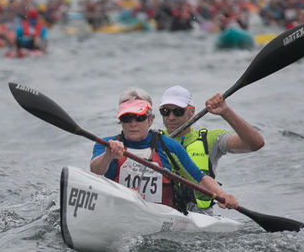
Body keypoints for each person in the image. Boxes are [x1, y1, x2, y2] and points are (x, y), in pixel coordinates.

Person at [90, 90, 238, 213]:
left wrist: (222, 195)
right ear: (120, 121)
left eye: (139, 117)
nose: (133, 124)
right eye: (127, 118)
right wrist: (108, 156)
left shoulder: (168, 146)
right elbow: (95, 171)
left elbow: (199, 178)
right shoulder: (106, 145)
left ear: (151, 119)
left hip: (160, 217)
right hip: (117, 212)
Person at [157, 85, 263, 211]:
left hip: (201, 217)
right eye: (165, 112)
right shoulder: (152, 139)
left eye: (178, 111)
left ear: (191, 112)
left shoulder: (210, 139)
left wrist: (226, 112)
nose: (171, 117)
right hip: (162, 211)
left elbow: (255, 143)